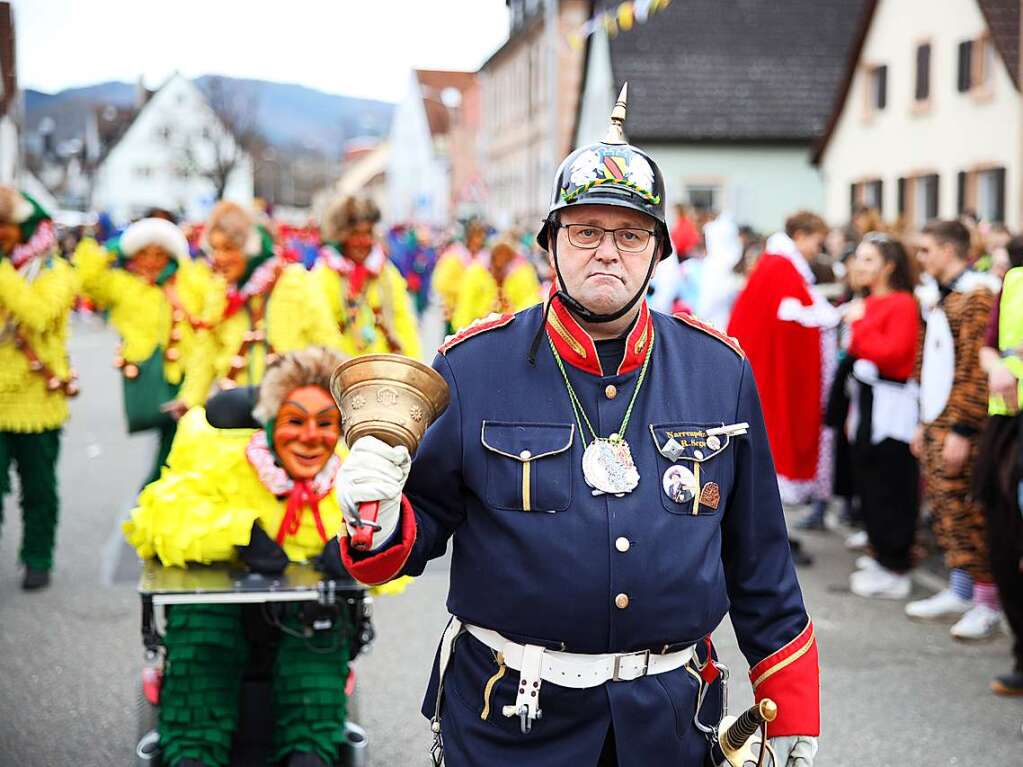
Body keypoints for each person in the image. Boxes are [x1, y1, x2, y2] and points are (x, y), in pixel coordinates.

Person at [333, 87, 819, 767]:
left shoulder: (719, 371)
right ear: (550, 245)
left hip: (669, 722)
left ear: (656, 253)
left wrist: (788, 700)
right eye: (584, 231)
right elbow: (421, 526)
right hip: (509, 717)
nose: (606, 253)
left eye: (629, 234)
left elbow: (759, 558)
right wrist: (377, 516)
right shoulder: (471, 366)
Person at [124, 348, 354, 767]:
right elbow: (154, 519)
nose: (310, 437)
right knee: (203, 628)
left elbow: (398, 549)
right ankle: (193, 750)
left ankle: (310, 751)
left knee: (322, 626)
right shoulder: (223, 457)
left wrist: (358, 551)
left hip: (305, 618)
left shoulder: (351, 478)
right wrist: (238, 533)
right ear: (271, 421)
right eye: (295, 422)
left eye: (325, 424)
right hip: (217, 609)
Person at [908, 220, 1001, 640]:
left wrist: (962, 428)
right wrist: (923, 422)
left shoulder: (976, 296)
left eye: (927, 250)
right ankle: (961, 588)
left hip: (959, 423)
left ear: (949, 250)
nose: (921, 259)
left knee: (969, 511)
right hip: (936, 418)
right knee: (947, 511)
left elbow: (973, 371)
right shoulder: (942, 298)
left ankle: (986, 600)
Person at [74, 218, 212, 485]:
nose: (151, 261)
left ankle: (153, 495)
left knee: (180, 442)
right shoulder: (123, 284)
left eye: (160, 254)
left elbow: (207, 305)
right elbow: (88, 280)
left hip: (186, 373)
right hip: (145, 374)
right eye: (144, 253)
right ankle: (154, 497)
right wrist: (112, 248)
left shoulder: (186, 280)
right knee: (171, 444)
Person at [727, 212, 840, 533]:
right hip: (771, 373)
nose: (816, 251)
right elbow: (791, 318)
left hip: (764, 369)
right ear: (801, 235)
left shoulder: (778, 265)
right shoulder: (781, 266)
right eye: (816, 242)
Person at [178, 201, 341, 407]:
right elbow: (206, 349)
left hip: (289, 406)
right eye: (215, 249)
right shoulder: (221, 289)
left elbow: (326, 343)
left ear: (250, 248)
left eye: (228, 248)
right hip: (235, 404)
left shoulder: (295, 281)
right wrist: (189, 400)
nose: (219, 258)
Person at [0, 188, 78, 591]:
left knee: (39, 490)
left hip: (37, 399)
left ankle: (37, 556)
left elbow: (37, 313)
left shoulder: (56, 271)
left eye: (5, 226)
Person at [840, 234, 921, 599]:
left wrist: (859, 328)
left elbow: (894, 353)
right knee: (868, 478)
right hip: (867, 400)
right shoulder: (869, 301)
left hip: (891, 404)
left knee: (891, 481)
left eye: (869, 260)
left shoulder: (902, 303)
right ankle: (880, 550)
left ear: (889, 265)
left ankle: (895, 561)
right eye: (860, 258)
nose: (860, 266)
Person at [976, 238, 1023, 693]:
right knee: (1003, 545)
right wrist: (999, 366)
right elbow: (990, 346)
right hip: (1006, 424)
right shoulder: (1014, 281)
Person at [313, 196, 421, 358]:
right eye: (356, 233)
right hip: (339, 373)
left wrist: (413, 373)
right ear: (341, 235)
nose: (363, 241)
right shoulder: (323, 276)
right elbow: (318, 332)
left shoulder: (388, 274)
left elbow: (405, 326)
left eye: (368, 232)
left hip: (383, 374)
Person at [450, 234, 541, 331]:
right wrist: (463, 331)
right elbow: (465, 305)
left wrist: (512, 318)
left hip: (510, 330)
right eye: (498, 255)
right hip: (477, 329)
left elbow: (530, 303)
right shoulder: (476, 273)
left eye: (506, 257)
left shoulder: (522, 273)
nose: (500, 261)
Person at [433, 219, 488, 334]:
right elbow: (441, 283)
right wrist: (464, 289)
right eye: (476, 236)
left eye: (481, 236)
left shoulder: (483, 257)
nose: (479, 240)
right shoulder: (455, 256)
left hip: (476, 315)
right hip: (454, 311)